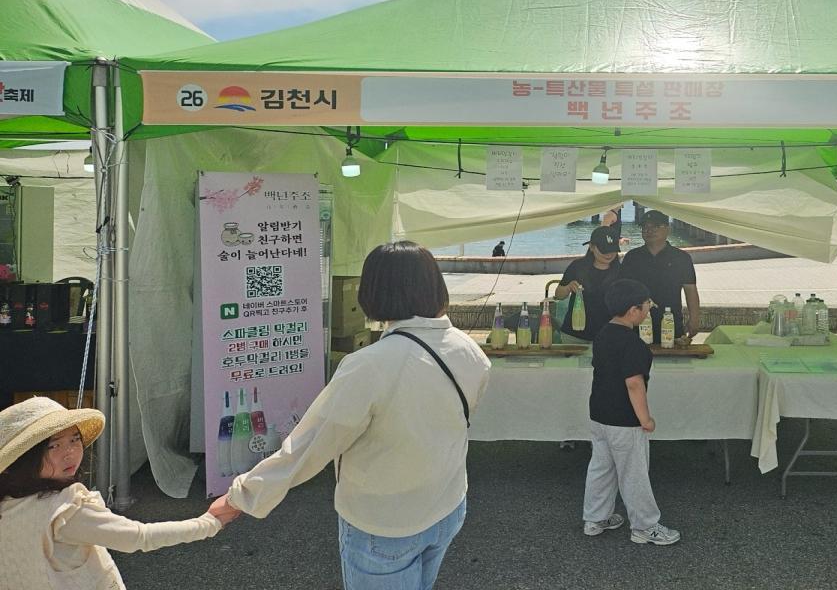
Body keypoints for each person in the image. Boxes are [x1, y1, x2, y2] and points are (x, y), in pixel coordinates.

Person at [224, 241, 491, 590]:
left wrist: (243, 495)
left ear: (374, 292)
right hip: (448, 504)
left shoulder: (368, 366)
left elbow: (308, 447)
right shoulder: (469, 350)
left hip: (384, 523)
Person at [0, 397, 234, 589]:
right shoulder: (65, 509)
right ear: (25, 458)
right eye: (53, 445)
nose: (70, 452)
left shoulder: (8, 504)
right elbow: (139, 537)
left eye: (75, 439)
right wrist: (209, 523)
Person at [582, 278, 680, 547]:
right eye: (647, 305)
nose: (649, 310)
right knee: (634, 472)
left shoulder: (603, 334)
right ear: (633, 310)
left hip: (599, 413)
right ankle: (645, 526)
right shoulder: (634, 344)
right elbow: (634, 383)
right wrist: (645, 419)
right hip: (624, 419)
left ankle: (595, 518)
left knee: (601, 466)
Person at [619, 210, 699, 342]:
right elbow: (622, 291)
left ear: (667, 229)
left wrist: (694, 319)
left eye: (655, 226)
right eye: (645, 227)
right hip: (637, 325)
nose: (649, 230)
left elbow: (690, 290)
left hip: (670, 324)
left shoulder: (681, 258)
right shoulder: (632, 257)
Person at [555, 226, 622, 342]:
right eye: (604, 250)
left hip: (609, 334)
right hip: (575, 333)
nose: (609, 255)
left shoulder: (621, 271)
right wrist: (568, 287)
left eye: (613, 250)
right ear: (591, 247)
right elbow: (559, 294)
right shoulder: (577, 266)